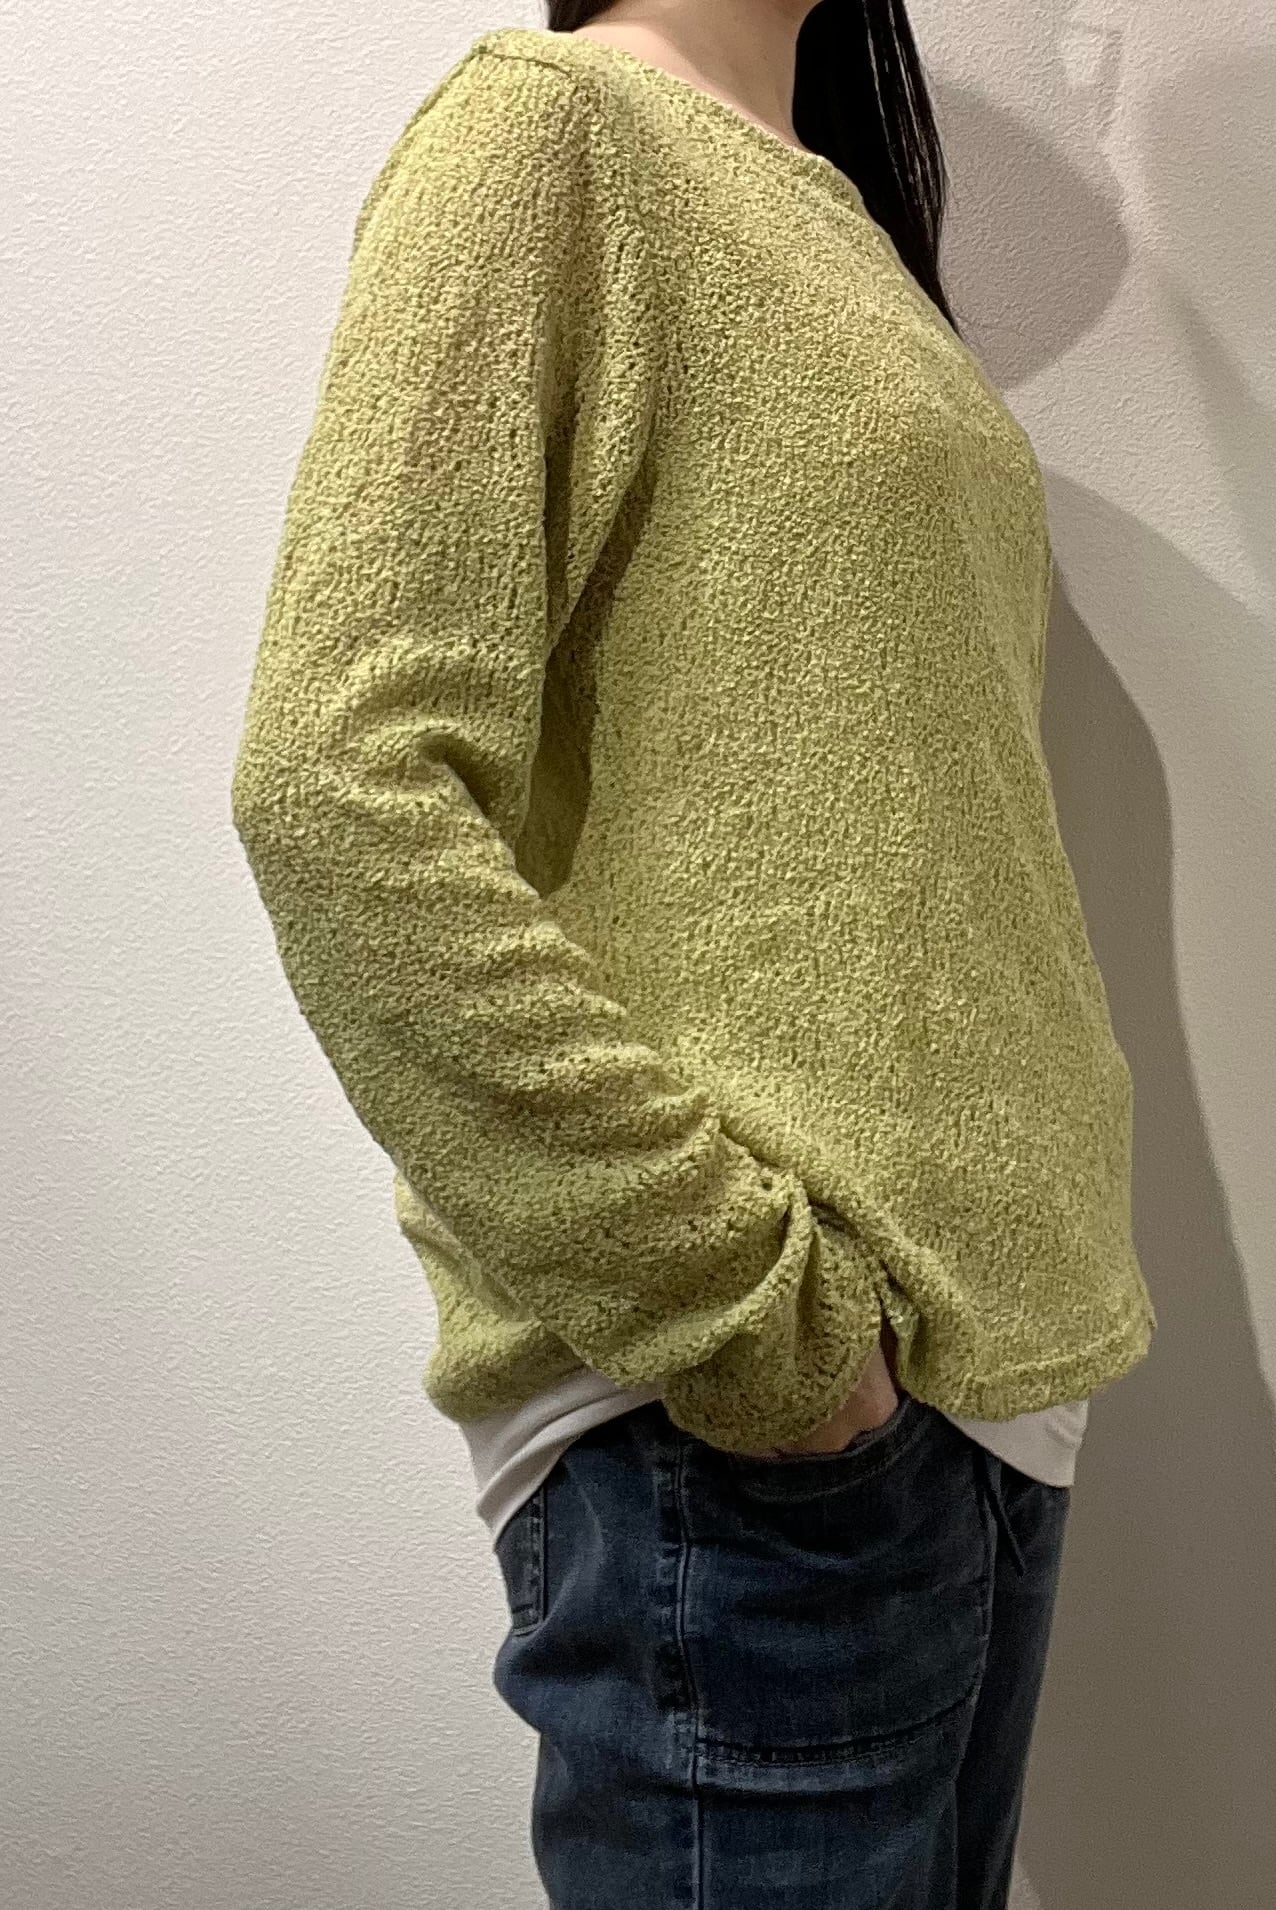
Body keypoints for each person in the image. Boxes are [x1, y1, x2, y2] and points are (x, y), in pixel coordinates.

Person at [229, 2, 1157, 1903]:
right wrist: (760, 1322)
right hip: (747, 1446)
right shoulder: (548, 138)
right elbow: (338, 786)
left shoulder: (841, 227)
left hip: (970, 1413)